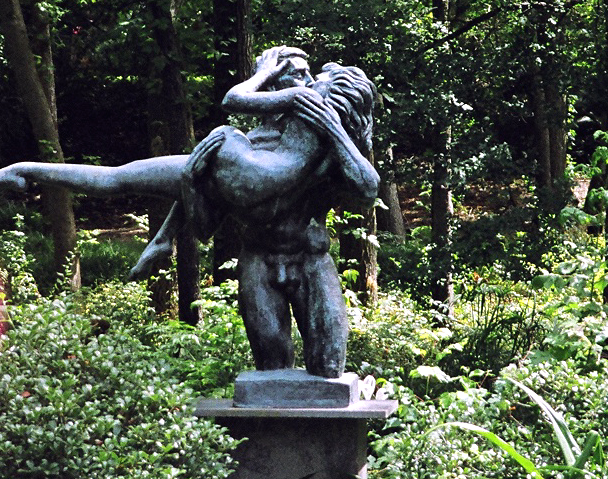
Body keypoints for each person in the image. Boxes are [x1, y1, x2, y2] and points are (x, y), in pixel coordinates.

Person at [0, 47, 379, 378]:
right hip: (259, 261)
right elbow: (175, 182)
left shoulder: (328, 146)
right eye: (296, 75)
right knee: (271, 369)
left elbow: (366, 188)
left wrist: (334, 129)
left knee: (329, 366)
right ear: (273, 86)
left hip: (311, 260)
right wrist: (165, 237)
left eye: (310, 77)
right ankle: (25, 169)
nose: (308, 83)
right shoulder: (247, 147)